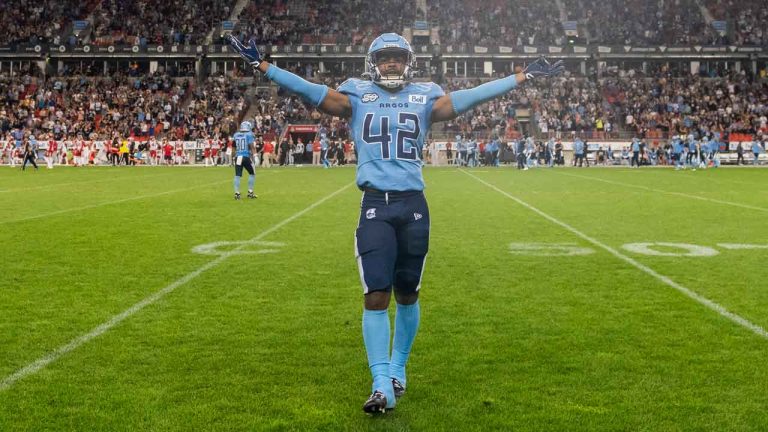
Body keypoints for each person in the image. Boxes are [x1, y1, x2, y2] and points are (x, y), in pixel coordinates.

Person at [229, 32, 563, 414]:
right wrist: (264, 67)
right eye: (385, 57)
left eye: (397, 58)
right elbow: (312, 91)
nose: (391, 64)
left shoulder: (425, 94)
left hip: (413, 206)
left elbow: (472, 96)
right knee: (376, 293)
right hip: (375, 205)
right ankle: (380, 384)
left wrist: (521, 78)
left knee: (408, 293)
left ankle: (398, 369)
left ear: (408, 62)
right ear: (374, 62)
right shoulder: (356, 93)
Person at [232, 121, 257, 200]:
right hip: (246, 156)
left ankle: (237, 193)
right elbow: (252, 147)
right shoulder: (249, 134)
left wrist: (233, 157)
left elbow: (233, 147)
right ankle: (250, 192)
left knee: (237, 175)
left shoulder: (235, 135)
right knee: (252, 173)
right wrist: (255, 155)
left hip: (238, 156)